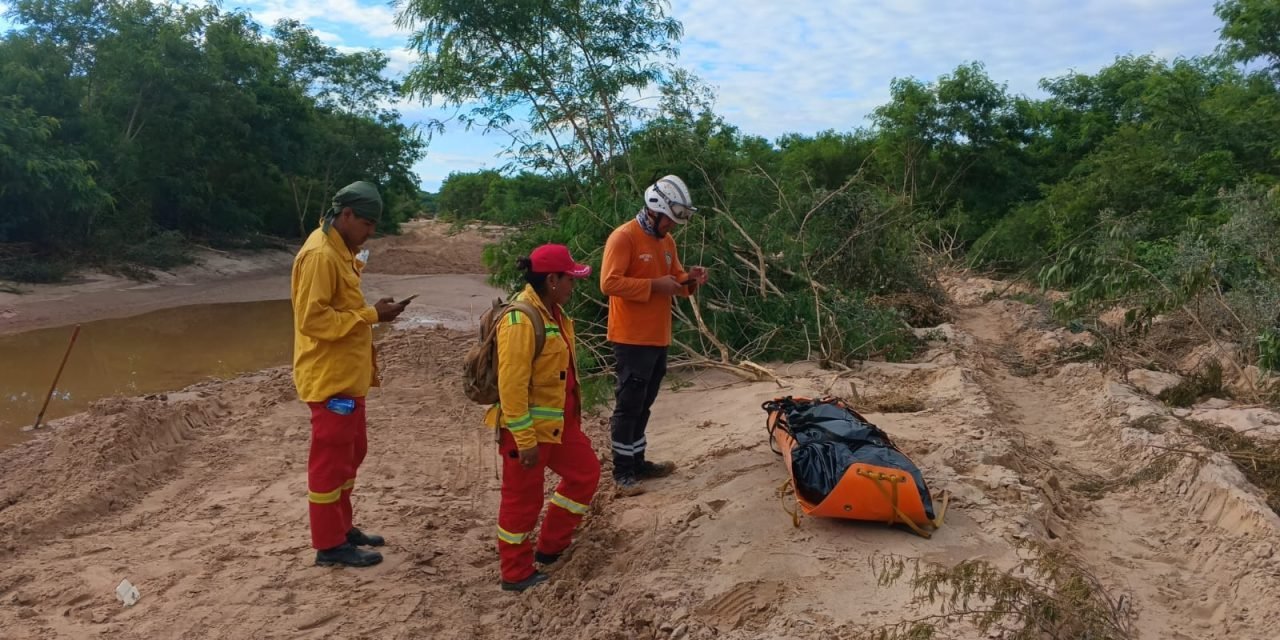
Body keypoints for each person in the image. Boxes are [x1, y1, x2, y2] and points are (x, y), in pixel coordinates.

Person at [291, 181, 409, 568]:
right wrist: (373, 314)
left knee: (351, 454)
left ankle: (341, 528)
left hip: (346, 377)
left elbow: (339, 308)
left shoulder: (341, 250)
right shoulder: (320, 255)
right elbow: (312, 320)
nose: (370, 232)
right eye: (367, 224)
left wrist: (372, 313)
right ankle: (329, 545)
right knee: (330, 464)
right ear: (346, 215)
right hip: (329, 381)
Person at [486, 244, 600, 592]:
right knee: (522, 502)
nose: (573, 287)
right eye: (570, 280)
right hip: (528, 433)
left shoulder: (555, 314)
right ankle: (515, 572)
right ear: (552, 280)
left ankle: (551, 545)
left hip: (559, 427)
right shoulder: (520, 321)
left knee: (585, 473)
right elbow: (511, 388)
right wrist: (524, 440)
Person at [600, 175, 709, 495]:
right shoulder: (624, 238)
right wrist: (653, 286)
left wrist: (691, 279)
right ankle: (622, 472)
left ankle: (638, 462)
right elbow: (609, 283)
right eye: (669, 220)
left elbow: (677, 281)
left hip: (658, 336)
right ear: (654, 210)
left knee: (644, 403)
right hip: (631, 338)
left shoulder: (667, 242)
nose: (672, 226)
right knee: (628, 405)